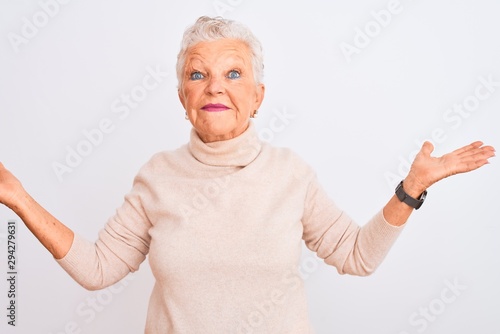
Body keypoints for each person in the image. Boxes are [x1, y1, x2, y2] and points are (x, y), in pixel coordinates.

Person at [0, 16, 495, 333]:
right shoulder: (156, 177)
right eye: (198, 74)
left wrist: (411, 190)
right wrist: (19, 197)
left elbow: (357, 256)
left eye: (234, 73)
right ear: (182, 98)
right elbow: (98, 268)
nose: (215, 86)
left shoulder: (290, 174)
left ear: (258, 96)